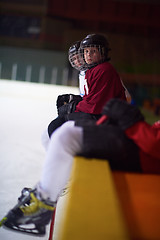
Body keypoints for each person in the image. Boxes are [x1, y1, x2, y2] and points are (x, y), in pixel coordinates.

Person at [1, 99, 160, 236]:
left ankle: (42, 204)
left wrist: (132, 122)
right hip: (139, 147)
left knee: (67, 137)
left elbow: (154, 145)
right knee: (69, 127)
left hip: (140, 156)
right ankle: (46, 193)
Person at [47, 33, 127, 137]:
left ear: (103, 53)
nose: (88, 54)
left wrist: (73, 107)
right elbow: (92, 99)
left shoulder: (103, 70)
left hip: (107, 119)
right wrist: (76, 100)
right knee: (57, 125)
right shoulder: (92, 70)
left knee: (56, 126)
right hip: (101, 115)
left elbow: (95, 106)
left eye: (93, 51)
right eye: (86, 51)